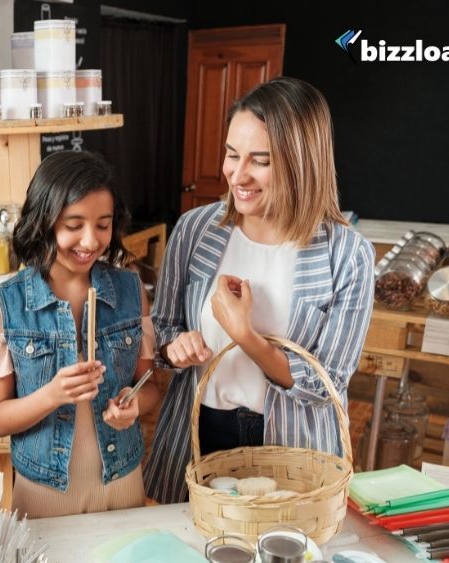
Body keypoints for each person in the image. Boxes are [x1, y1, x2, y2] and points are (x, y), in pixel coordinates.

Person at [144, 77, 375, 504]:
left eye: (260, 160)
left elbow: (327, 385)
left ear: (302, 163)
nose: (238, 174)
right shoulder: (197, 230)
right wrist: (175, 346)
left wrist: (244, 335)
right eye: (232, 154)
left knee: (280, 560)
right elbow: (163, 327)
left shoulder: (347, 254)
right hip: (199, 429)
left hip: (291, 445)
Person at [0, 151, 159, 518]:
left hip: (123, 482)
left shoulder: (131, 290)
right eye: (73, 224)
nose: (91, 241)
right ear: (44, 221)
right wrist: (53, 394)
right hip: (42, 492)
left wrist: (134, 404)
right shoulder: (4, 305)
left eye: (103, 224)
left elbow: (150, 385)